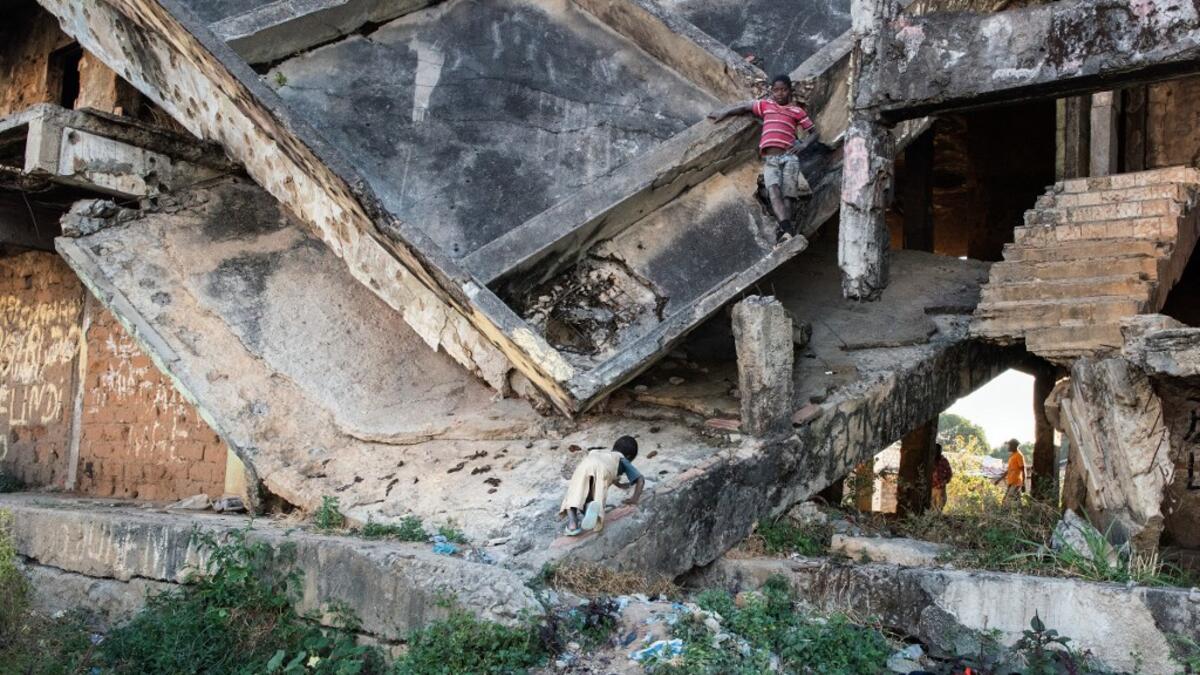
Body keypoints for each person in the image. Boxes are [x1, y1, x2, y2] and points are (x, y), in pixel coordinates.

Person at [707, 74, 816, 242]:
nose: (779, 93)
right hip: (770, 159)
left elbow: (814, 133)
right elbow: (745, 106)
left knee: (788, 195)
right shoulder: (766, 105)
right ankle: (787, 229)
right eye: (776, 90)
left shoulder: (797, 111)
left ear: (789, 91)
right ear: (772, 91)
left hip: (789, 157)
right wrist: (724, 111)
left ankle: (785, 231)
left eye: (783, 90)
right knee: (773, 191)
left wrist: (803, 144)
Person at [560, 435, 645, 536]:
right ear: (629, 457)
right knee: (596, 495)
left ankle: (572, 524)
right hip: (601, 470)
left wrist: (620, 485)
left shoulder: (603, 453)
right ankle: (590, 510)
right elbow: (641, 480)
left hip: (583, 466)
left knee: (574, 494)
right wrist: (634, 499)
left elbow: (611, 473)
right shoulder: (621, 458)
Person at [994, 439, 1025, 505]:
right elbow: (1009, 470)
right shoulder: (1012, 456)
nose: (1008, 447)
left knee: (1006, 502)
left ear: (1014, 446)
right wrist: (999, 480)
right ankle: (1021, 513)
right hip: (1011, 482)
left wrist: (1023, 484)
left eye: (1009, 445)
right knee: (1017, 502)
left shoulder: (1019, 455)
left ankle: (1006, 513)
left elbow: (1023, 470)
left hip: (1016, 483)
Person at [931, 443, 953, 512]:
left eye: (938, 450)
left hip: (940, 488)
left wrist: (945, 482)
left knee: (939, 507)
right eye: (935, 450)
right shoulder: (930, 460)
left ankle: (937, 520)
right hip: (931, 488)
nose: (936, 452)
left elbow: (949, 473)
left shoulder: (944, 461)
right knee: (931, 507)